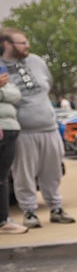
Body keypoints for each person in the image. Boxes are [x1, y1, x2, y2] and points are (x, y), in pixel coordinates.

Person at [1, 28, 75, 228]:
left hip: (49, 127)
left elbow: (47, 85)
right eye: (22, 43)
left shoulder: (36, 61)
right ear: (7, 44)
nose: (27, 46)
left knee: (52, 171)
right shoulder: (1, 67)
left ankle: (56, 208)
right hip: (23, 130)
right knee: (24, 174)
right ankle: (29, 211)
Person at [0, 61, 27, 234]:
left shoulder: (5, 77)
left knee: (2, 177)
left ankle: (3, 220)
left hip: (9, 129)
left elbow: (16, 94)